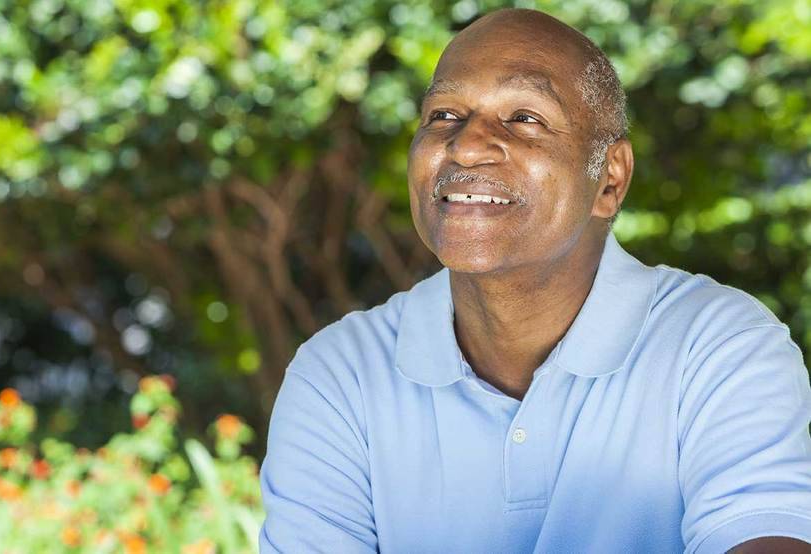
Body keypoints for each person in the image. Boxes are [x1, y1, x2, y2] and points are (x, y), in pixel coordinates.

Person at [258, 8, 811, 553]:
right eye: (444, 114)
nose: (467, 145)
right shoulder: (341, 375)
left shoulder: (718, 347)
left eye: (526, 117)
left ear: (610, 179)